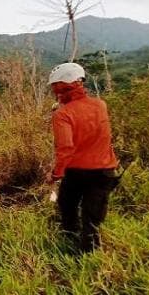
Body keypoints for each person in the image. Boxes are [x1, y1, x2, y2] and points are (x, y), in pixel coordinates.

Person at [46, 63, 119, 253]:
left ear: (62, 87)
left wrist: (55, 175)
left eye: (56, 88)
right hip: (104, 172)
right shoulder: (100, 105)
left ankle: (72, 244)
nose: (56, 93)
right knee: (92, 218)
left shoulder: (62, 114)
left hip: (76, 172)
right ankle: (88, 255)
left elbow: (66, 148)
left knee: (67, 206)